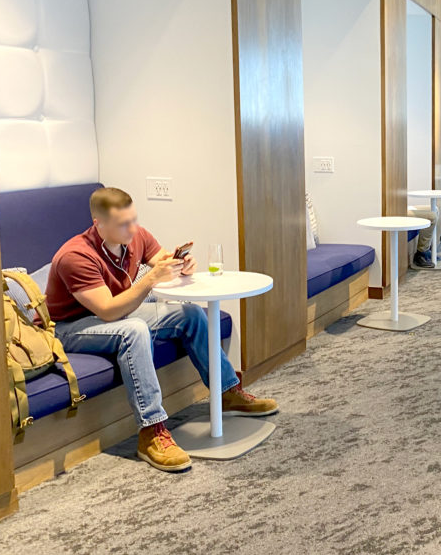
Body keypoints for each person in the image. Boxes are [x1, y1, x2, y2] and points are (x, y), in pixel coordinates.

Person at [45, 187, 279, 473]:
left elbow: (161, 262)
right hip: (72, 328)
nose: (133, 228)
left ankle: (226, 392)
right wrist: (150, 280)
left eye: (134, 219)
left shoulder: (135, 235)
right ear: (99, 224)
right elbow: (107, 311)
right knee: (134, 330)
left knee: (189, 313)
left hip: (115, 314)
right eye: (123, 224)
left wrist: (182, 266)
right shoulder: (75, 256)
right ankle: (151, 431)